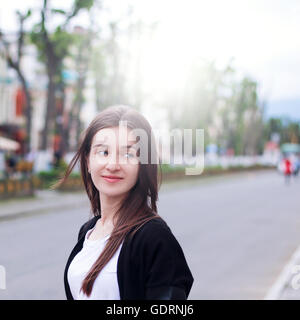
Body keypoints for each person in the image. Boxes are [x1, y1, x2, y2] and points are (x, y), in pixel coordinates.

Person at [56, 105, 194, 300]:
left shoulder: (154, 237)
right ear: (88, 161)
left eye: (128, 154)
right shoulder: (88, 231)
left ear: (143, 164)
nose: (113, 165)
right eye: (103, 152)